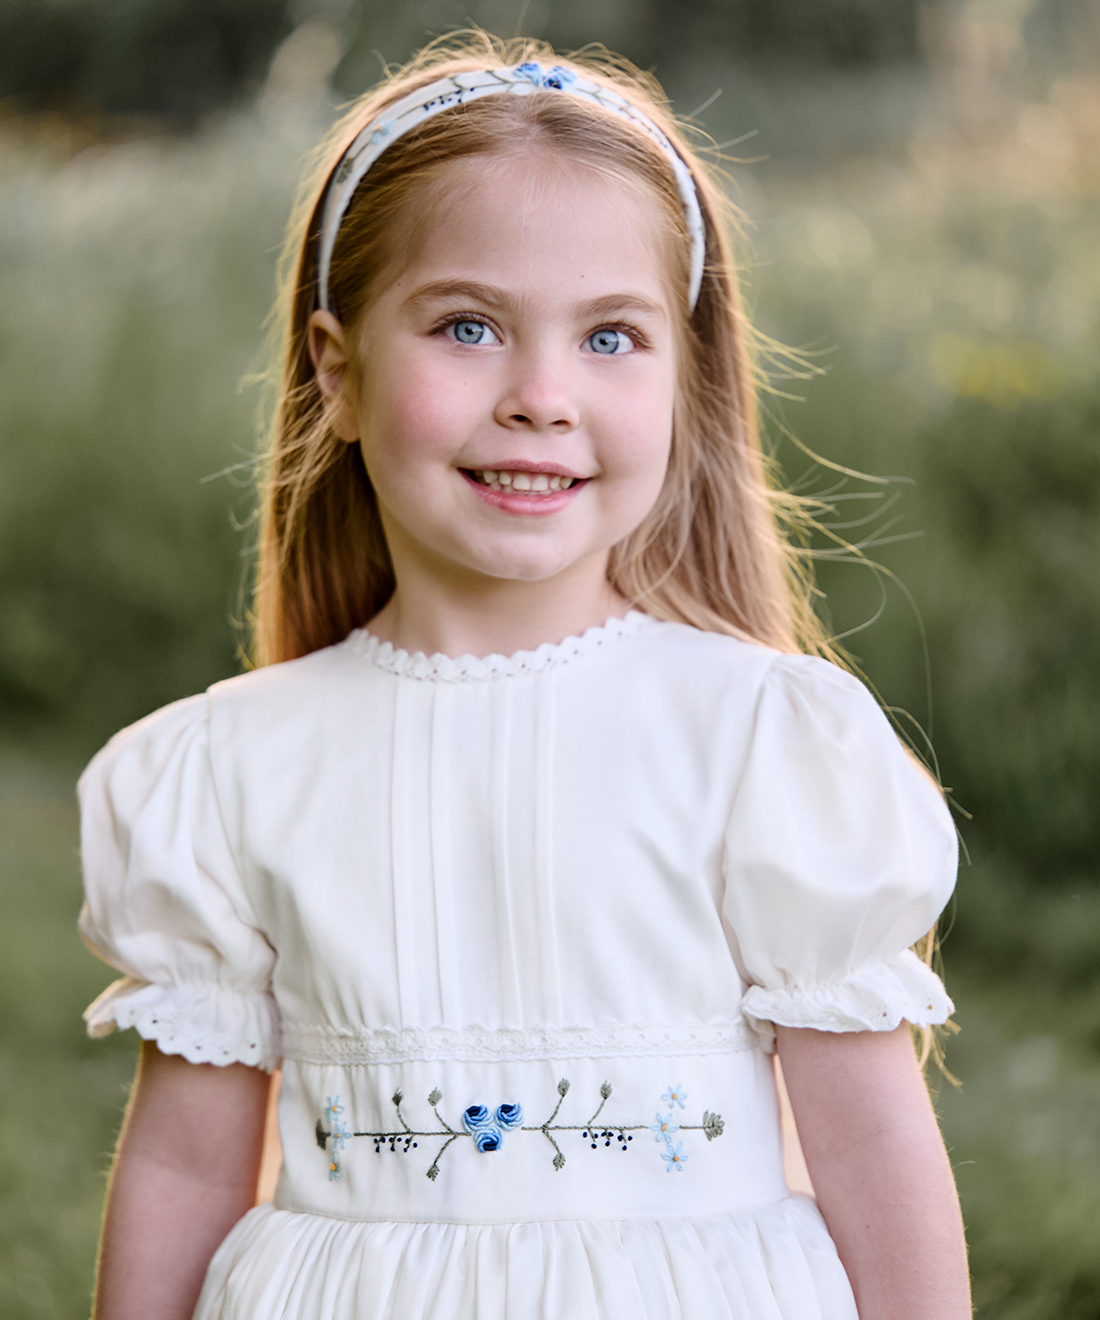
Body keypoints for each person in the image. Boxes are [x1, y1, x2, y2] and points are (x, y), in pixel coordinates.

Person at [77, 33, 972, 1320]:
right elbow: (180, 1161)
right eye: (467, 327)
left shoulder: (759, 741)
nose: (541, 396)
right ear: (336, 368)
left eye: (610, 337)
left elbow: (873, 1146)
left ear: (682, 375)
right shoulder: (225, 769)